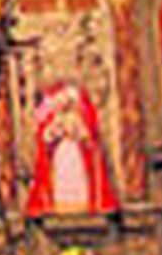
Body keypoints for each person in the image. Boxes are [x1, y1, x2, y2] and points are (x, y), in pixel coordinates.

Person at [25, 79, 118, 216]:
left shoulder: (79, 115)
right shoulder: (51, 113)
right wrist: (54, 132)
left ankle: (81, 204)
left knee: (77, 178)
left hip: (75, 154)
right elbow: (43, 131)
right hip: (60, 155)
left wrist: (77, 132)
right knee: (61, 179)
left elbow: (90, 137)